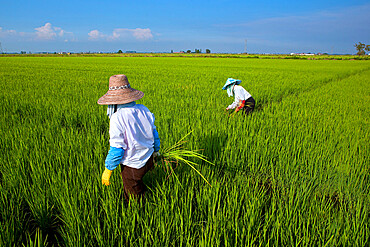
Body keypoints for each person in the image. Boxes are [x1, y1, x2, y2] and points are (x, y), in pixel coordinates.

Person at [97, 74, 160, 202]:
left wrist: (108, 169)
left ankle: (139, 213)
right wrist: (156, 151)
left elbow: (117, 148)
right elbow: (154, 134)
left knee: (132, 195)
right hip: (148, 160)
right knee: (138, 184)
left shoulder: (117, 118)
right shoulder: (143, 109)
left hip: (133, 166)